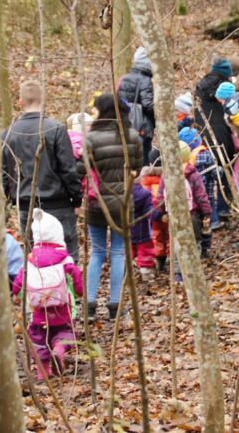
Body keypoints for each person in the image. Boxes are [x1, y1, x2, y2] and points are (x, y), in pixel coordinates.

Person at [1, 80, 83, 260]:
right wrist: (77, 199)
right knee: (67, 259)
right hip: (58, 204)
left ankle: (37, 289)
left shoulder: (8, 134)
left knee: (34, 259)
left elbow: (4, 176)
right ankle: (69, 289)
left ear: (20, 102)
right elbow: (68, 169)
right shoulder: (56, 129)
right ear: (42, 100)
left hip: (26, 206)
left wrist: (7, 202)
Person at [81, 93, 144, 321]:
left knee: (97, 252)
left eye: (96, 109)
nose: (94, 113)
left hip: (97, 203)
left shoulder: (91, 139)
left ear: (104, 111)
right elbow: (137, 167)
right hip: (123, 203)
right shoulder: (132, 137)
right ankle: (115, 305)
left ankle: (89, 304)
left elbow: (82, 169)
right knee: (118, 253)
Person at [12, 209, 84, 381]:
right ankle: (59, 349)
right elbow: (77, 280)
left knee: (38, 338)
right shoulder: (64, 258)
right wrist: (80, 293)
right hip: (62, 309)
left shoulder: (30, 260)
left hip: (38, 312)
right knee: (66, 332)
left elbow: (18, 283)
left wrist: (17, 294)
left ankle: (42, 372)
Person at [155, 141, 212, 282]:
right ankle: (193, 270)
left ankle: (178, 274)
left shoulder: (166, 175)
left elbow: (160, 197)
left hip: (173, 215)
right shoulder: (193, 174)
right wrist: (207, 212)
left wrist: (163, 212)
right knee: (194, 241)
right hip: (192, 214)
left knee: (176, 244)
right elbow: (201, 195)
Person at [194, 58, 238, 225]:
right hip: (221, 135)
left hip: (202, 135)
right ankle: (223, 208)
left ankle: (208, 216)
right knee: (225, 169)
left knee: (205, 175)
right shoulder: (225, 89)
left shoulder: (200, 86)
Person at [117, 47, 156, 164]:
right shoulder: (146, 80)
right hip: (142, 128)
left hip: (125, 127)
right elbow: (148, 104)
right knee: (143, 160)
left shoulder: (124, 78)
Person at [179, 127, 221, 235]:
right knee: (209, 204)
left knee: (197, 210)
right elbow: (214, 172)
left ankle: (200, 228)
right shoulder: (205, 154)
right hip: (207, 190)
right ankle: (214, 222)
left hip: (192, 194)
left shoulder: (183, 160)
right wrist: (219, 173)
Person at [131, 180, 157, 281]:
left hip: (126, 231)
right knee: (145, 253)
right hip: (142, 231)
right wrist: (159, 215)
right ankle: (146, 274)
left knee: (126, 253)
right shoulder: (145, 194)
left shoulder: (121, 192)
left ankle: (124, 272)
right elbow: (149, 211)